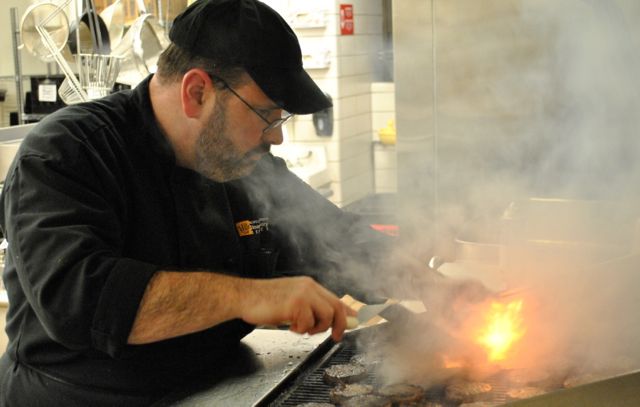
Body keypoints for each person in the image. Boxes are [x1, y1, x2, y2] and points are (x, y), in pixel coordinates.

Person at [0, 0, 486, 405]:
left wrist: (426, 282)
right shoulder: (66, 153)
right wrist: (254, 296)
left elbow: (332, 237)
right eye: (267, 115)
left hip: (225, 389)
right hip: (82, 398)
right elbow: (83, 303)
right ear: (197, 92)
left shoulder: (241, 163)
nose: (274, 138)